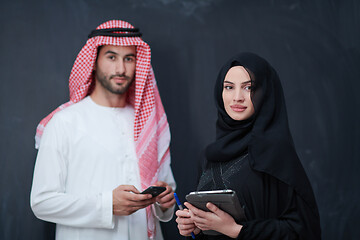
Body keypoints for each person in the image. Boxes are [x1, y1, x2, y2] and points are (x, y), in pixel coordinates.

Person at [30, 20, 176, 240]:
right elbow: (42, 203)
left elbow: (167, 190)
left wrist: (164, 202)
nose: (121, 69)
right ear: (94, 61)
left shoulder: (148, 123)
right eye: (111, 57)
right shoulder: (65, 122)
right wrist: (107, 205)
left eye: (129, 58)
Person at [176, 52, 321, 239]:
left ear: (265, 93)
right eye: (229, 87)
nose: (237, 97)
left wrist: (235, 230)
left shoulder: (275, 154)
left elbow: (303, 231)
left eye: (248, 88)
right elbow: (209, 227)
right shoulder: (208, 157)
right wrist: (195, 226)